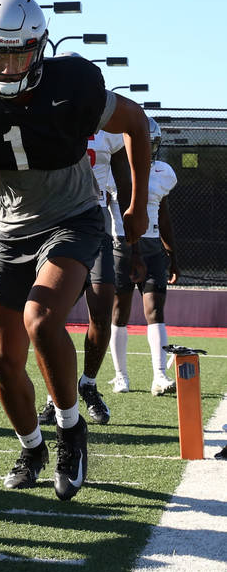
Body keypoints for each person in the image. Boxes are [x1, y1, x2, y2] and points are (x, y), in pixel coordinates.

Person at [0, 0, 150, 501]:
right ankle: (31, 446)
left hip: (71, 218)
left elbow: (137, 124)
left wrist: (138, 202)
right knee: (3, 362)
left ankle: (69, 428)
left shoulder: (73, 83)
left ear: (40, 47)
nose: (10, 66)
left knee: (41, 319)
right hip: (9, 232)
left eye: (21, 53)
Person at [37, 111, 132, 427]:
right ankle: (55, 394)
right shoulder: (50, 123)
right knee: (51, 315)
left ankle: (88, 384)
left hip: (97, 227)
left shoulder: (108, 129)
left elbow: (123, 178)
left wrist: (129, 218)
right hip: (57, 227)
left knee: (103, 308)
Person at [107, 117, 180, 396]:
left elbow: (163, 214)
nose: (145, 148)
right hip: (120, 245)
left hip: (151, 248)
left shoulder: (163, 172)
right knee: (119, 312)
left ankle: (159, 376)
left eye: (150, 143)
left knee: (155, 310)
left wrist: (172, 254)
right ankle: (121, 376)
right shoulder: (115, 170)